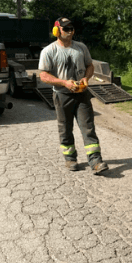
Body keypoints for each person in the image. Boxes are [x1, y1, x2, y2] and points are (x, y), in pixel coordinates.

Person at [38, 17, 109, 174]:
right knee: (65, 129)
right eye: (66, 29)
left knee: (88, 128)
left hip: (82, 95)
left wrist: (86, 78)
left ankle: (96, 162)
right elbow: (43, 75)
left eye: (71, 28)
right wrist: (64, 83)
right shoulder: (49, 51)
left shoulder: (81, 48)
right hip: (62, 96)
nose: (70, 31)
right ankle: (70, 159)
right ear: (57, 31)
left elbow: (90, 65)